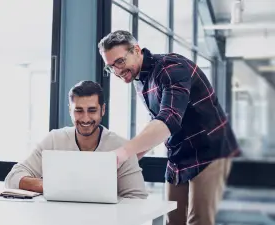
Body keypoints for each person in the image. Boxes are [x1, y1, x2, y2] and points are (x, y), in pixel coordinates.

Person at [98, 30, 240, 225]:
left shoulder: (171, 68)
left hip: (209, 150)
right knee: (172, 220)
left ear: (137, 50)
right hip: (179, 153)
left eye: (120, 62)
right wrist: (134, 156)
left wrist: (123, 152)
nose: (117, 71)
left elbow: (169, 119)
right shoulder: (140, 80)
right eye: (110, 67)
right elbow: (157, 121)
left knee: (198, 220)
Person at [5, 80, 148, 199]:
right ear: (70, 110)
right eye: (78, 110)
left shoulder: (121, 146)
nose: (85, 118)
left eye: (92, 110)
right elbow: (13, 178)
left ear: (103, 110)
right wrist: (53, 186)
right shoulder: (54, 140)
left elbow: (137, 197)